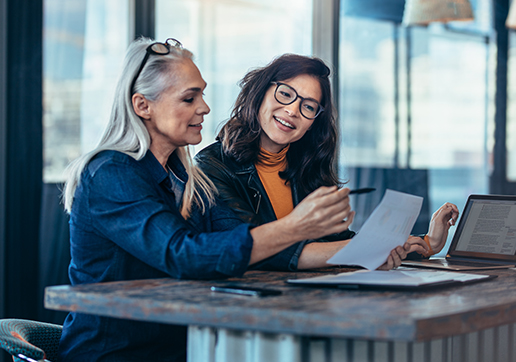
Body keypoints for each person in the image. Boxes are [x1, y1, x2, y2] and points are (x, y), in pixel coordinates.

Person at [59, 39, 408, 361]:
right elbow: (184, 255)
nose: (205, 108)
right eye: (189, 98)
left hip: (186, 346)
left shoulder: (186, 178)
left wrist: (374, 249)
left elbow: (246, 241)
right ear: (142, 105)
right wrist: (296, 225)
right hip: (117, 353)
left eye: (203, 96)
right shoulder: (109, 173)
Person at [195, 54, 459, 268]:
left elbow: (337, 242)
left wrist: (426, 243)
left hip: (308, 302)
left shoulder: (306, 168)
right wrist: (367, 250)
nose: (292, 111)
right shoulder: (211, 167)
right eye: (285, 94)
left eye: (308, 106)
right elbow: (256, 249)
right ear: (260, 93)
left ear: (313, 123)